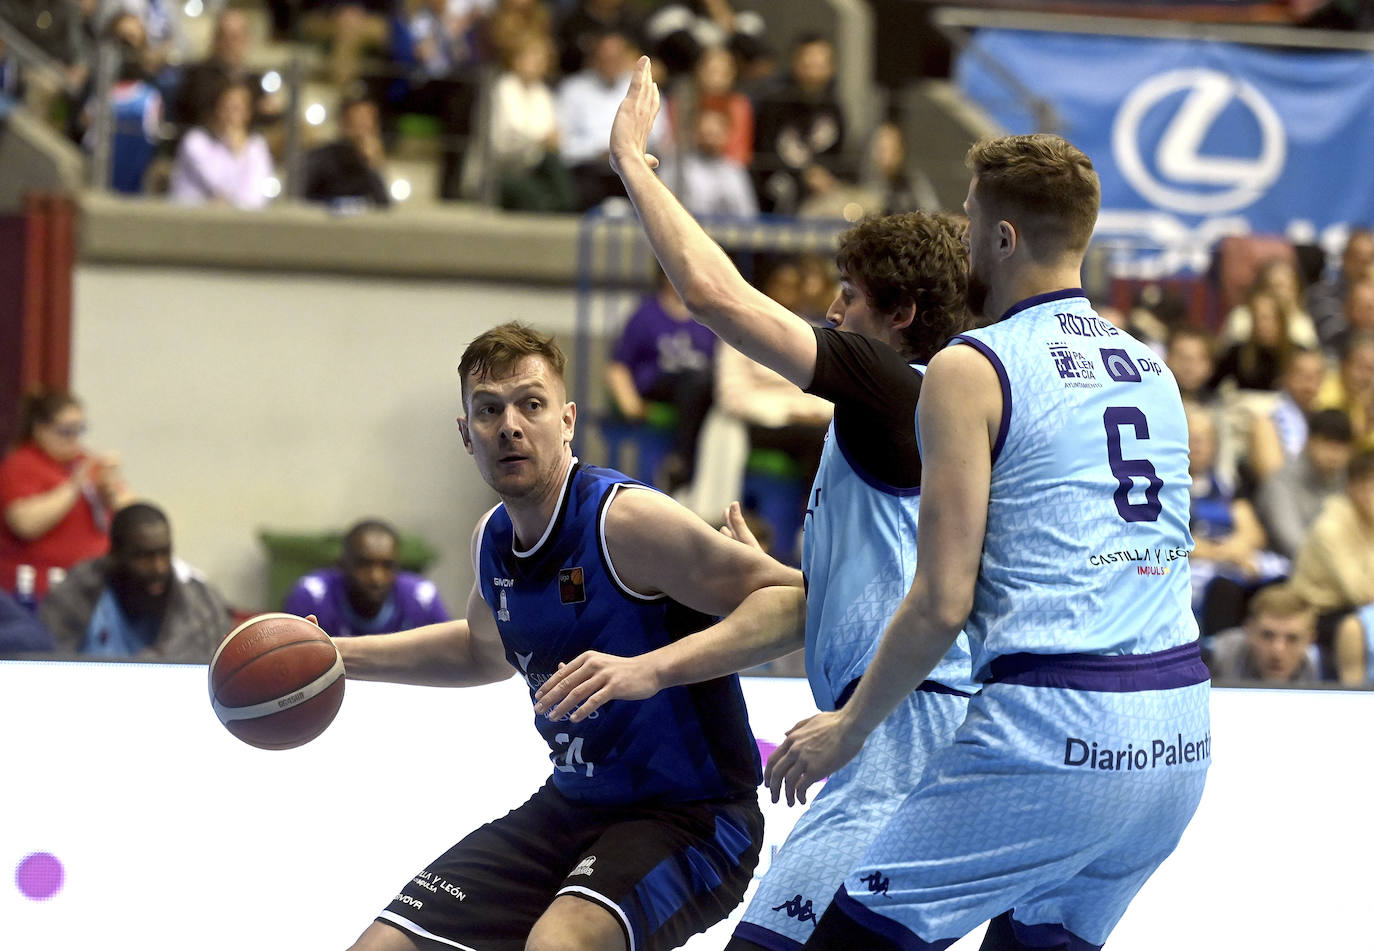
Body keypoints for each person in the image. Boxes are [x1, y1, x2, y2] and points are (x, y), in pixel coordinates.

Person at [534, 58, 976, 951]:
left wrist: (631, 163)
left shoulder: (895, 383)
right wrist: (774, 572)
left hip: (900, 721)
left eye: (849, 297)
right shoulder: (925, 415)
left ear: (902, 313)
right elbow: (858, 596)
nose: (835, 312)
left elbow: (713, 296)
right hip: (920, 713)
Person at [760, 133, 1209, 950]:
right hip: (1180, 735)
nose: (962, 238)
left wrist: (849, 726)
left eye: (969, 221)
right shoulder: (1153, 369)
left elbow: (940, 602)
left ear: (1001, 238)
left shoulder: (974, 365)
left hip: (1057, 728)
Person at [336, 322, 805, 951]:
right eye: (488, 410)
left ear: (567, 421)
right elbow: (481, 651)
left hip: (696, 817)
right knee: (381, 947)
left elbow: (797, 601)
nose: (509, 425)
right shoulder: (492, 540)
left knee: (562, 943)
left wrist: (654, 667)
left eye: (531, 404)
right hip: (571, 807)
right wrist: (334, 655)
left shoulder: (627, 522)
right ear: (464, 434)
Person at [40, 502, 232, 662]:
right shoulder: (75, 593)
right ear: (114, 555)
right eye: (143, 556)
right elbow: (50, 665)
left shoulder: (202, 605)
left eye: (164, 553)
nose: (159, 568)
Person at [0, 390, 132, 601]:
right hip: (37, 592)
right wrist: (73, 488)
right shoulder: (21, 465)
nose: (74, 439)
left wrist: (110, 492)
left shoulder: (86, 461)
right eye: (65, 431)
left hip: (91, 586)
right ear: (40, 429)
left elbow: (133, 512)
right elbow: (25, 524)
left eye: (79, 430)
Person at [604, 269, 716, 493]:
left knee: (702, 382)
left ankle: (698, 477)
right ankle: (681, 462)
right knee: (695, 379)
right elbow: (618, 365)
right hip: (657, 385)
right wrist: (629, 403)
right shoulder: (645, 315)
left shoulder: (708, 318)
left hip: (698, 393)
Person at [282, 519, 448, 638]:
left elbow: (446, 664)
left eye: (387, 566)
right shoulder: (311, 598)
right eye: (364, 564)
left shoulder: (422, 599)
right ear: (341, 565)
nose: (376, 577)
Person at [1255, 408, 1353, 560]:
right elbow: (1292, 544)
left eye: (1341, 447)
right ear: (1309, 441)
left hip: (1336, 568)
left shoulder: (1347, 481)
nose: (1334, 455)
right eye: (1328, 444)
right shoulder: (1281, 482)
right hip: (1285, 571)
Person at [168, 79, 274, 208]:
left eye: (237, 108)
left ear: (248, 113)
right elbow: (219, 186)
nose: (230, 115)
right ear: (216, 109)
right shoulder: (195, 141)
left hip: (236, 222)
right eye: (226, 107)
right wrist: (236, 152)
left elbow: (254, 197)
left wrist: (239, 149)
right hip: (190, 220)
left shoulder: (256, 146)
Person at [1205, 582, 1319, 684]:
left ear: (1310, 640)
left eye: (1292, 639)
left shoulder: (1323, 669)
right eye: (1267, 636)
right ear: (1248, 630)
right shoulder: (1214, 657)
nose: (1277, 650)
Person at [301, 95, 392, 209]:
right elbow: (301, 200)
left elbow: (384, 207)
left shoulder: (370, 164)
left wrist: (371, 164)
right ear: (344, 122)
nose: (365, 126)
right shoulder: (320, 157)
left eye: (370, 120)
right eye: (359, 119)